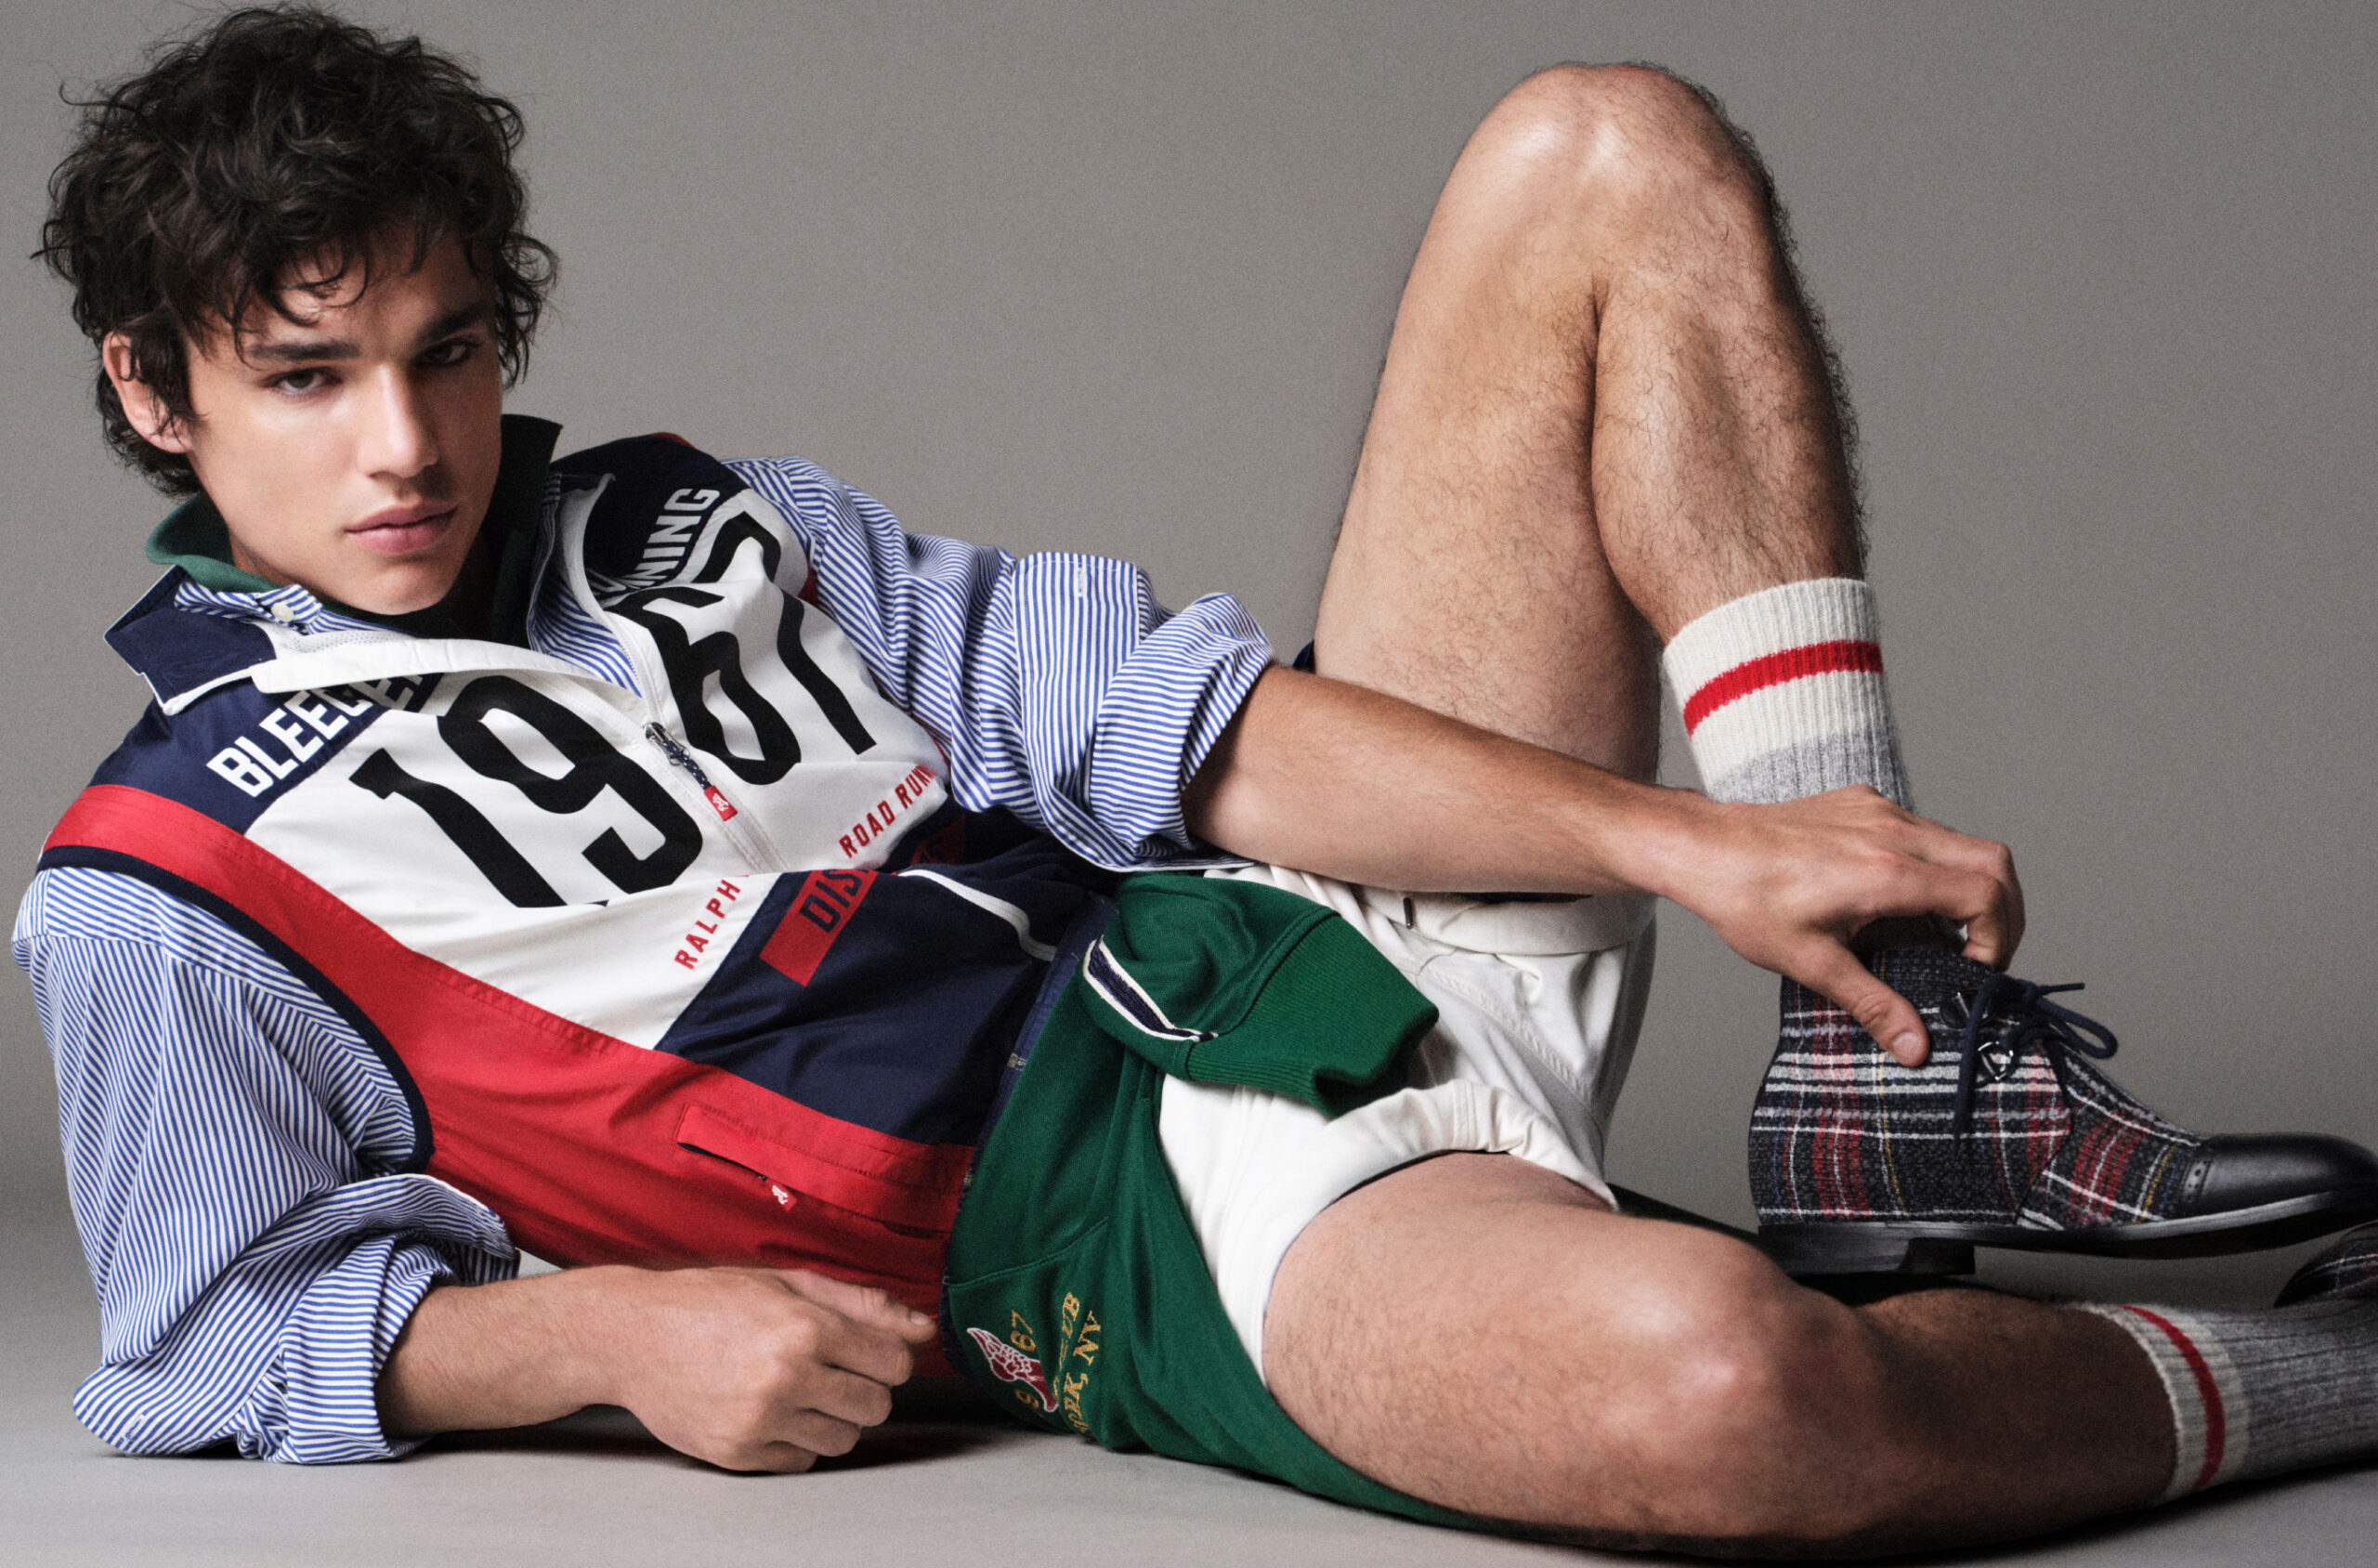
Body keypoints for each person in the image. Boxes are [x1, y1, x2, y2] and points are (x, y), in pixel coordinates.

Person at [19, 7, 2378, 1556]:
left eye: (444, 353)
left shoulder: (679, 512)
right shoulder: (163, 880)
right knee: (1723, 1401)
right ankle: (2333, 1365)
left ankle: (1892, 1063)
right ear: (149, 387)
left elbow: (1178, 729)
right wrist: (605, 1338)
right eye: (307, 377)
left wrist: (1700, 847)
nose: (407, 444)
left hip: (1292, 904)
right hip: (1133, 1231)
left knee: (1598, 149)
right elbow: (202, 1335)